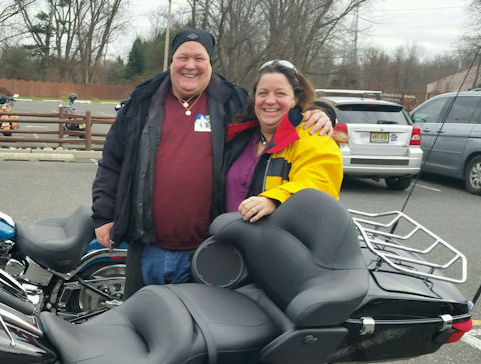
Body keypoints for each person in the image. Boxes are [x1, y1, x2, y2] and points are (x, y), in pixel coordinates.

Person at [91, 28, 332, 297]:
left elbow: (275, 109)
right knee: (140, 323)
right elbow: (112, 161)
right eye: (183, 57)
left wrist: (321, 113)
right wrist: (104, 215)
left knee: (199, 330)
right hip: (147, 246)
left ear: (210, 62)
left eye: (199, 58)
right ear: (171, 61)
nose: (190, 65)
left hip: (209, 249)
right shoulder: (142, 101)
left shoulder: (233, 101)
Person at [217, 60, 344, 224]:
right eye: (263, 93)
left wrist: (273, 200)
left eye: (280, 94)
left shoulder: (314, 136)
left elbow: (317, 186)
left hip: (284, 245)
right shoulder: (239, 137)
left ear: (295, 100)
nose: (270, 101)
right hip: (230, 241)